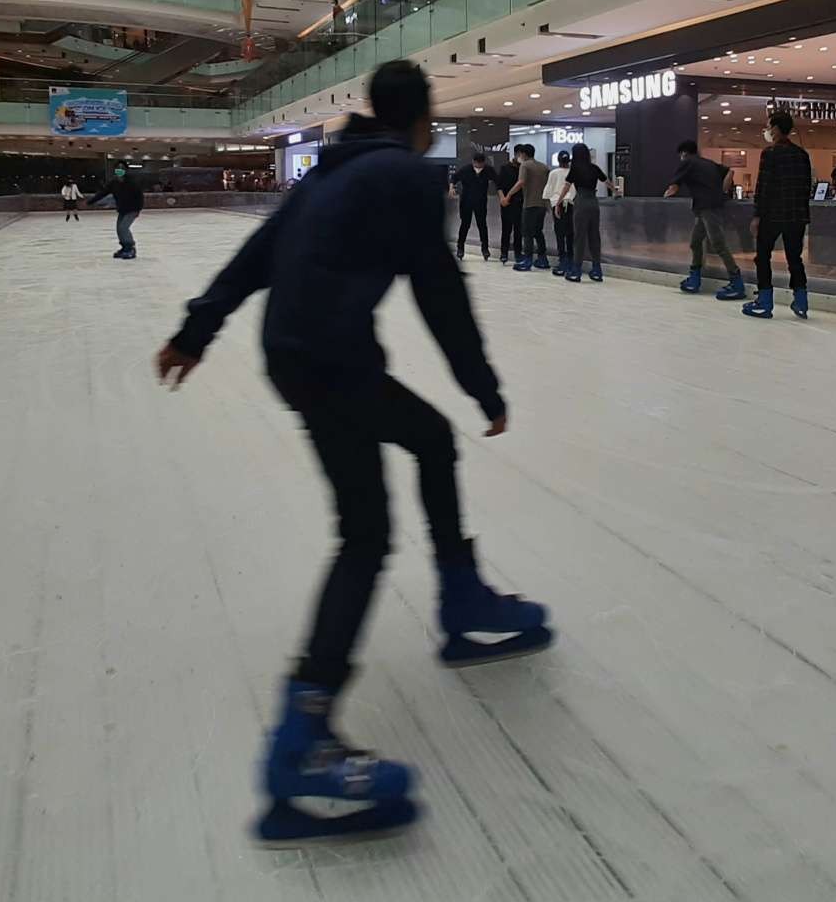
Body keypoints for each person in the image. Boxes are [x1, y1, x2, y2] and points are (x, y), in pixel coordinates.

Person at [156, 60, 549, 846]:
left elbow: (257, 254)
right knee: (366, 534)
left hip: (303, 355)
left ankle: (461, 597)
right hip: (329, 360)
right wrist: (484, 386)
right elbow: (438, 286)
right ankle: (302, 741)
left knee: (426, 445)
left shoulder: (329, 173)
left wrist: (198, 329)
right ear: (423, 117)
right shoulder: (404, 176)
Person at [744, 111, 814, 319]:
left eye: (768, 126)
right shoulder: (802, 155)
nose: (767, 130)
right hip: (797, 216)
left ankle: (765, 301)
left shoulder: (770, 153)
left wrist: (757, 215)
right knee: (795, 258)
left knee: (763, 257)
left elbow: (763, 187)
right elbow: (806, 187)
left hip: (773, 215)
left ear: (775, 128)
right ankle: (801, 301)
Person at [664, 140, 744, 299]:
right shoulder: (708, 163)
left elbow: (674, 187)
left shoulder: (687, 162)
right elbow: (730, 172)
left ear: (683, 153)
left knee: (718, 244)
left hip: (708, 208)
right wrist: (722, 190)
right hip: (704, 208)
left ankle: (737, 282)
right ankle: (695, 277)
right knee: (695, 242)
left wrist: (666, 194)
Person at [554, 142, 612, 282]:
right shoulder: (594, 168)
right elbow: (607, 181)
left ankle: (576, 270)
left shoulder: (575, 169)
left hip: (581, 202)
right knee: (594, 236)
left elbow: (566, 188)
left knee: (579, 237)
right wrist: (616, 191)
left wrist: (558, 203)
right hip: (594, 202)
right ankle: (597, 270)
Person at [502, 143, 550, 271]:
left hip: (530, 203)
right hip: (543, 204)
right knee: (538, 232)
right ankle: (542, 258)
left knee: (527, 233)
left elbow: (521, 182)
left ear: (523, 154)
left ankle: (527, 260)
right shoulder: (544, 167)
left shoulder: (525, 165)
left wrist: (508, 195)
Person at [89, 166, 145, 259]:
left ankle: (131, 248)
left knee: (123, 228)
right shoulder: (114, 183)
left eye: (121, 170)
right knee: (119, 229)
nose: (118, 173)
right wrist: (91, 201)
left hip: (133, 209)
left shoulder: (132, 183)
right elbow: (103, 192)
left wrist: (138, 208)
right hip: (122, 209)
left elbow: (140, 196)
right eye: (117, 171)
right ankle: (124, 247)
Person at [450, 151, 495, 260]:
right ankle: (460, 248)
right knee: (465, 225)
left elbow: (497, 181)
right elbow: (454, 178)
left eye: (481, 164)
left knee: (482, 226)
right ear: (473, 162)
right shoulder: (466, 170)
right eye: (477, 164)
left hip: (481, 202)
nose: (479, 166)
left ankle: (485, 249)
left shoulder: (488, 170)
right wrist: (451, 188)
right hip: (466, 202)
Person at [544, 149, 572, 276]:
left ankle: (563, 261)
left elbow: (548, 191)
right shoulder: (573, 172)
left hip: (558, 205)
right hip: (572, 205)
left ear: (558, 160)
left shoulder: (554, 173)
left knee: (560, 234)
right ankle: (571, 261)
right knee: (571, 234)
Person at [494, 147, 521, 264]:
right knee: (506, 229)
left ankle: (518, 253)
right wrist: (502, 199)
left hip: (520, 202)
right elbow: (499, 186)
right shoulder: (505, 168)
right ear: (515, 154)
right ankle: (504, 253)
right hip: (507, 203)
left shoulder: (524, 169)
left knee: (519, 230)